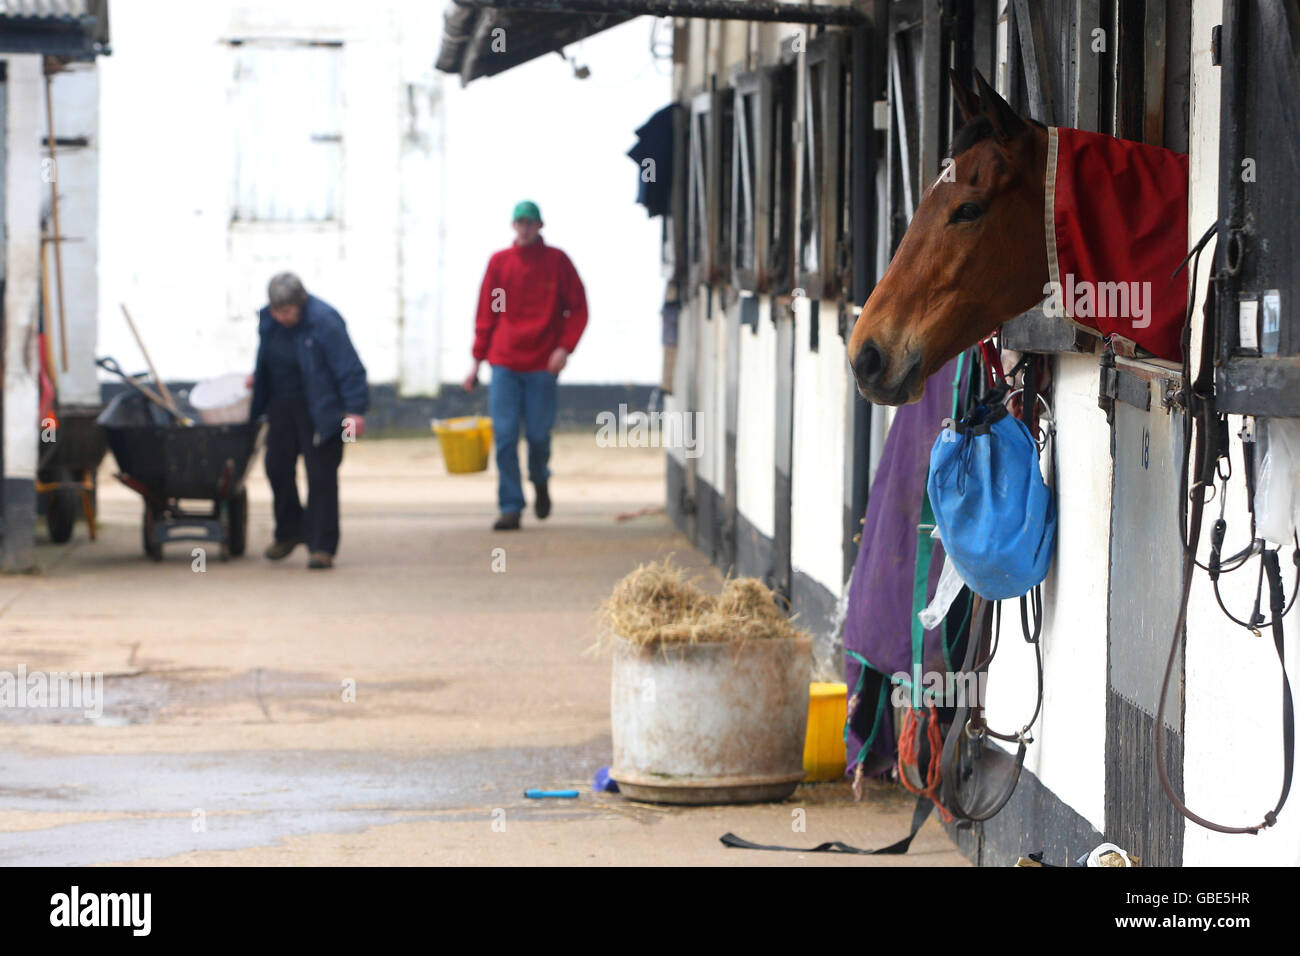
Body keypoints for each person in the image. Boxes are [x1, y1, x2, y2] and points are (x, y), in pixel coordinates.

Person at [464, 201, 588, 531]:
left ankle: (540, 479)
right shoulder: (500, 264)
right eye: (520, 222)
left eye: (531, 223)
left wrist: (565, 348)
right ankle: (510, 506)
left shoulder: (557, 263)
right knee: (504, 437)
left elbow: (577, 308)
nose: (525, 228)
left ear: (540, 226)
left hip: (542, 364)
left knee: (537, 435)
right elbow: (487, 313)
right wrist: (476, 361)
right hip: (504, 361)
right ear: (513, 226)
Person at [247, 272, 368, 569]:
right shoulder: (269, 321)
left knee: (321, 475)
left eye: (286, 311)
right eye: (276, 311)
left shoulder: (325, 321)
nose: (281, 317)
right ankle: (289, 532)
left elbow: (349, 367)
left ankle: (321, 546)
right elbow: (265, 357)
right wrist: (257, 380)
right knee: (276, 468)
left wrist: (354, 411)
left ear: (301, 303)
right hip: (280, 406)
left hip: (322, 409)